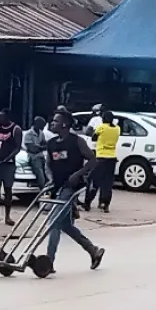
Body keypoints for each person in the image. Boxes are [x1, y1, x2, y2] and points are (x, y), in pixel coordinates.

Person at [45, 111, 105, 272]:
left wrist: (77, 174)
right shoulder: (51, 143)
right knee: (65, 225)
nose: (52, 123)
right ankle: (93, 250)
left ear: (64, 124)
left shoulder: (76, 141)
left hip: (71, 187)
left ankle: (49, 262)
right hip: (58, 186)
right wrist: (50, 179)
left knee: (54, 222)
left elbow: (93, 160)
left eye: (55, 121)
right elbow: (49, 164)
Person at [84, 110, 120, 213]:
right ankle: (105, 204)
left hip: (101, 157)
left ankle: (87, 203)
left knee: (93, 180)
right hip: (112, 158)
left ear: (103, 119)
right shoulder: (117, 128)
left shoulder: (102, 127)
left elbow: (94, 138)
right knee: (107, 183)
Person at [24, 116, 48, 190]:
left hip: (41, 156)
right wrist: (41, 147)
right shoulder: (28, 134)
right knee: (40, 174)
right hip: (33, 157)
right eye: (41, 124)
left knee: (48, 172)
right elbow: (32, 149)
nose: (43, 126)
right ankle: (43, 190)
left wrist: (39, 147)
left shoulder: (41, 133)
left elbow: (46, 145)